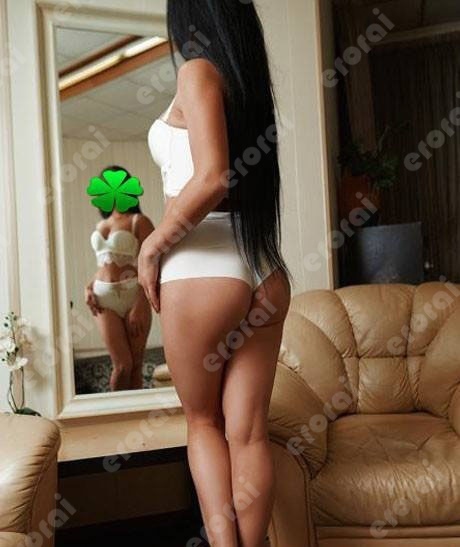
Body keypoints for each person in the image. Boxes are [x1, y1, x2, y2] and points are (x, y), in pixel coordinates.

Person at [139, 2, 291, 545]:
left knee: (203, 424)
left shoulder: (196, 71)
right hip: (263, 268)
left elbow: (212, 177)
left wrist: (153, 245)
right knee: (248, 434)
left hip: (201, 266)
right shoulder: (247, 86)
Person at [86, 166, 154, 391]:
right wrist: (89, 287)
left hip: (133, 293)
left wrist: (141, 302)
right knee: (122, 365)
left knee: (134, 365)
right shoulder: (101, 225)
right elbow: (103, 264)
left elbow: (151, 263)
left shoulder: (139, 221)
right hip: (102, 297)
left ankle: (135, 412)